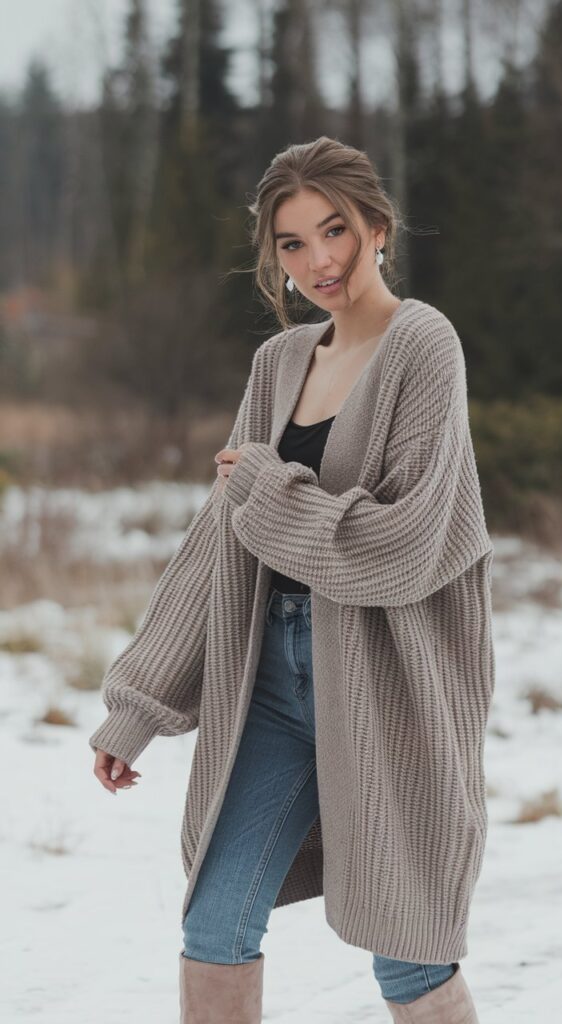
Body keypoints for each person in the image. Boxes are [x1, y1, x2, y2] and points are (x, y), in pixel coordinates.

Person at [90, 136, 493, 1024]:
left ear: (377, 228)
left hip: (389, 686)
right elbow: (218, 546)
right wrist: (140, 705)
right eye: (292, 242)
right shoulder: (278, 364)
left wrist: (268, 489)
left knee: (411, 958)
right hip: (267, 682)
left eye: (335, 230)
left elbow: (404, 547)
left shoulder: (425, 345)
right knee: (213, 924)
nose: (319, 260)